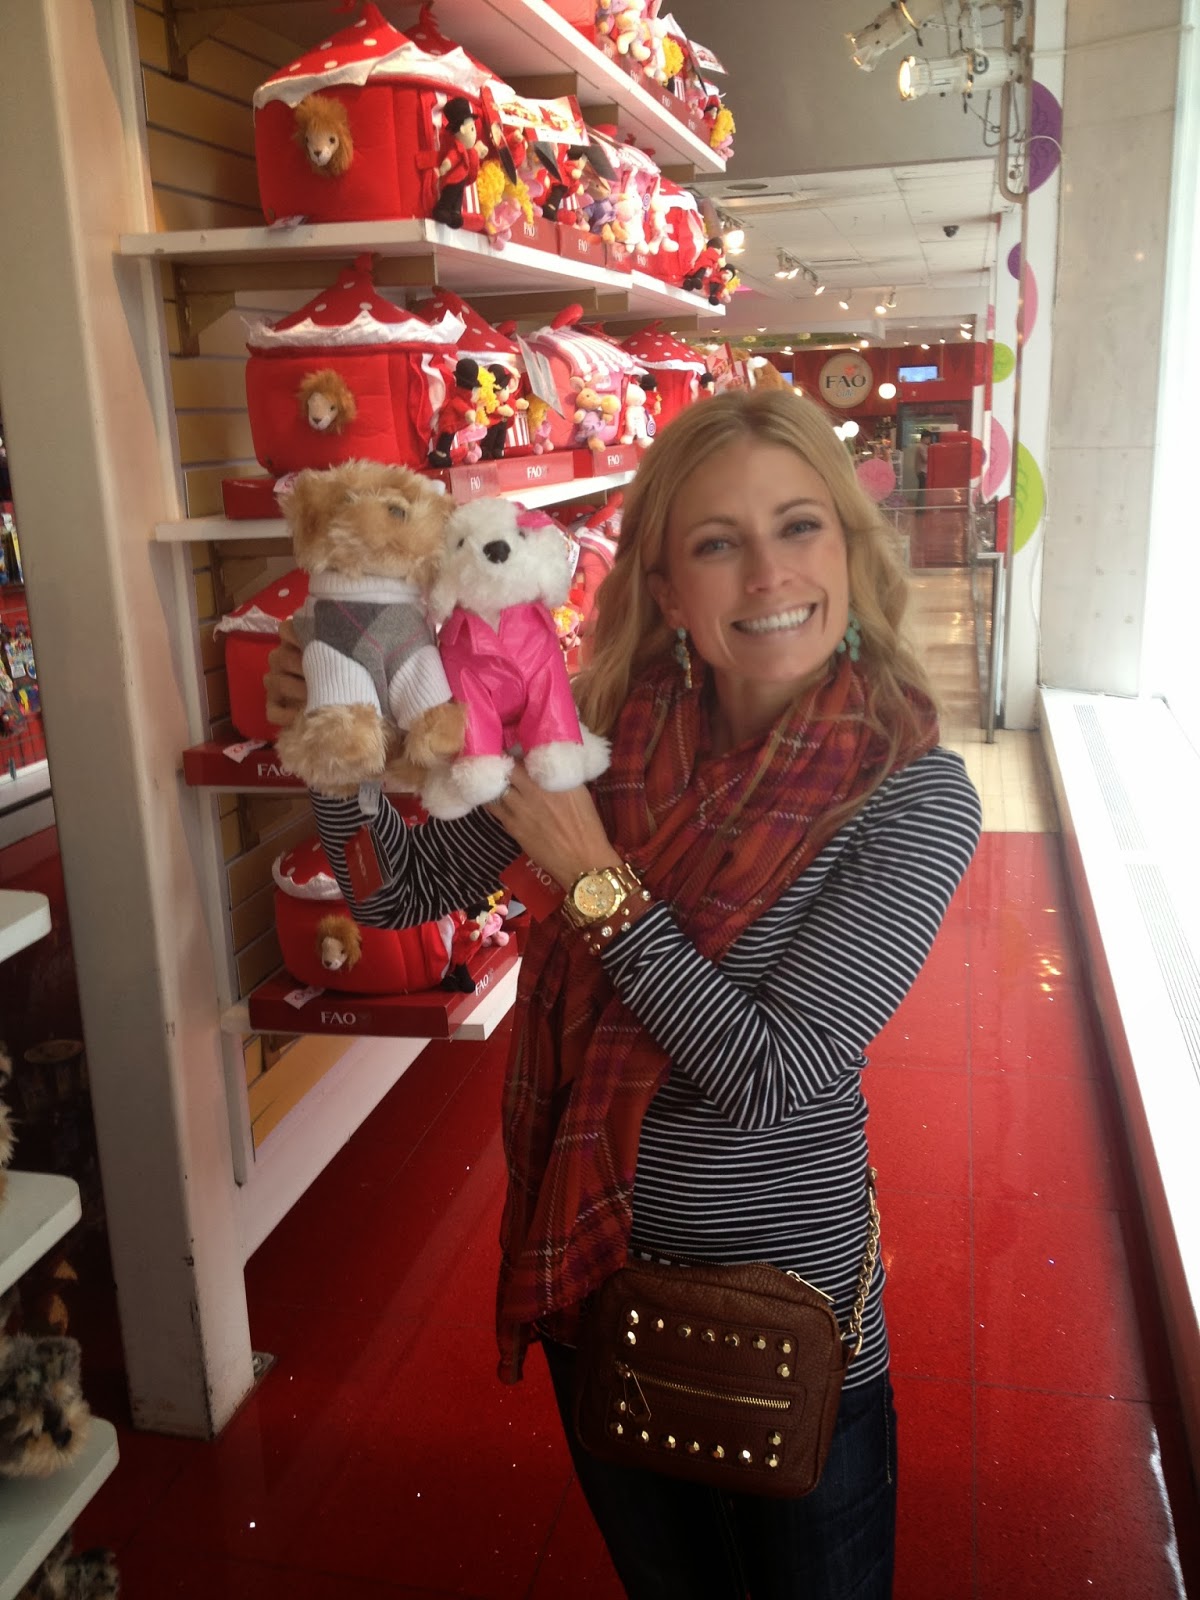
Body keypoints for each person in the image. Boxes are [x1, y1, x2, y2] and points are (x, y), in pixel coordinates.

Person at [266, 390, 981, 1598]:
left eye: (799, 526)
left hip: (784, 1307)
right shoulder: (590, 733)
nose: (769, 573)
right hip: (594, 1280)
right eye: (718, 542)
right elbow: (399, 892)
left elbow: (773, 1075)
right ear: (666, 588)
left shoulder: (913, 794)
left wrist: (595, 880)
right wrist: (336, 755)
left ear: (850, 553)